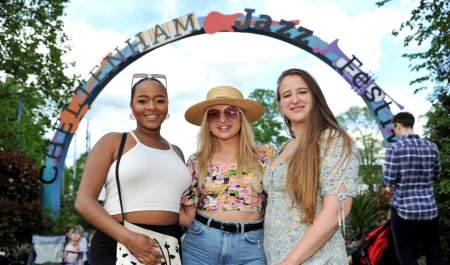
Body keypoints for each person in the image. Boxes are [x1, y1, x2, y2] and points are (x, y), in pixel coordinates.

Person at [75, 74, 191, 265]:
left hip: (167, 247)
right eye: (142, 100)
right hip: (118, 243)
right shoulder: (113, 142)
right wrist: (129, 238)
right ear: (132, 107)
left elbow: (184, 211)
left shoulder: (177, 152)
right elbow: (84, 201)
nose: (152, 107)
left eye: (160, 100)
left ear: (167, 106)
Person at [263, 68, 359, 265]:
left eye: (302, 92)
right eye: (286, 95)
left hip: (316, 260)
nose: (295, 99)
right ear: (280, 104)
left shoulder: (332, 141)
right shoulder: (283, 147)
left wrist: (289, 262)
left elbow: (336, 212)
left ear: (315, 96)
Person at [180, 85, 274, 265]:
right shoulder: (196, 161)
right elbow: (186, 216)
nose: (222, 119)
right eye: (214, 113)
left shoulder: (265, 156)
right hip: (199, 246)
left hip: (252, 248)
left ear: (242, 118)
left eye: (231, 112)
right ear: (207, 123)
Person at [382, 111, 443, 265]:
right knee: (434, 251)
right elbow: (436, 175)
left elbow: (388, 181)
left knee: (407, 253)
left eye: (394, 128)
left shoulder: (394, 148)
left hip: (404, 211)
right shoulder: (432, 147)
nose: (394, 131)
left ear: (398, 126)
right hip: (430, 210)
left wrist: (384, 171)